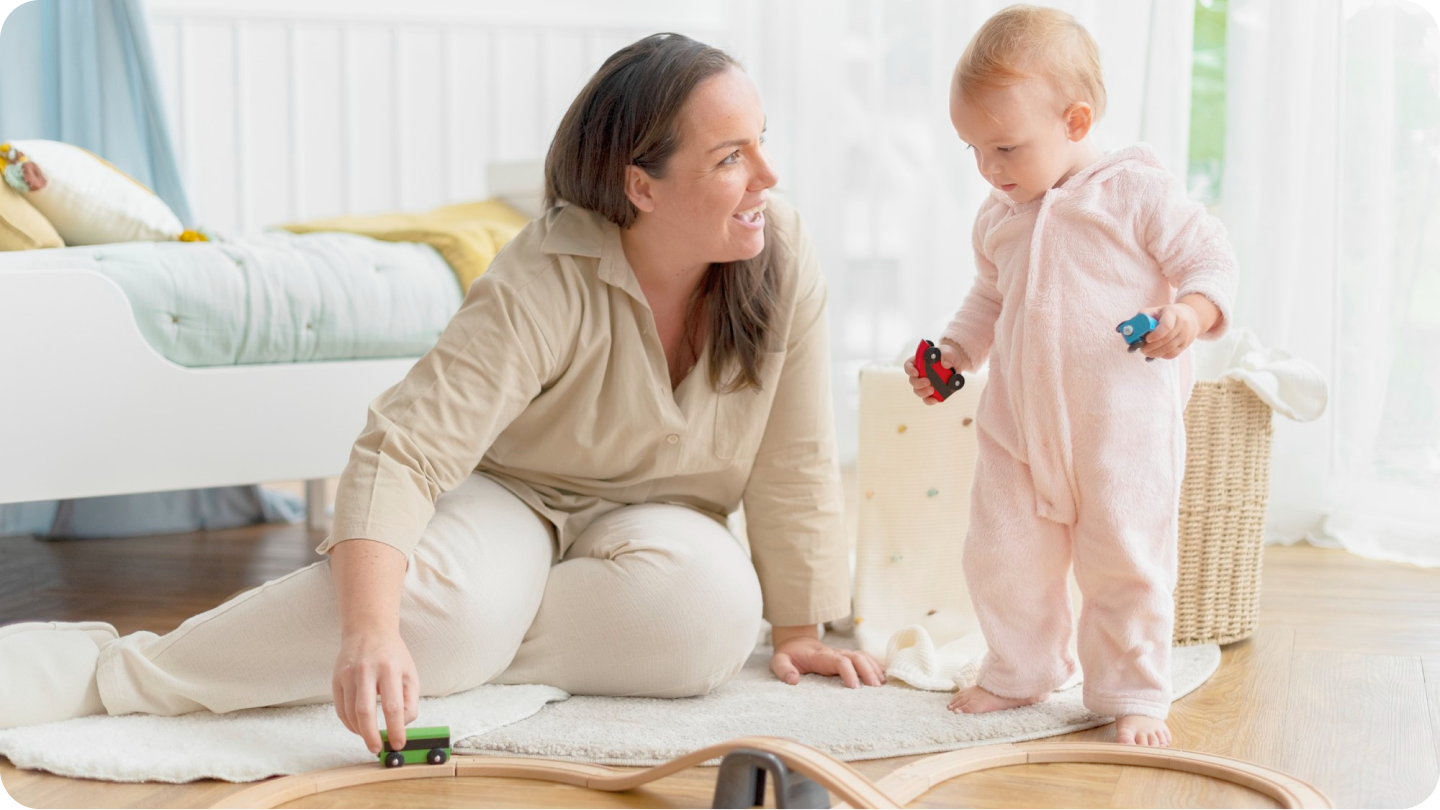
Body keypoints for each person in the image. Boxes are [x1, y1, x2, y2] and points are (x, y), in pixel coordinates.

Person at [0, 33, 884, 752]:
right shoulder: (547, 270)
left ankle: (466, 639)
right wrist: (372, 632)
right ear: (640, 186)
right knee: (437, 616)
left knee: (710, 622)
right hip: (513, 495)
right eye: (733, 156)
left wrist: (800, 623)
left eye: (764, 142)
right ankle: (113, 672)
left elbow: (796, 452)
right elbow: (406, 448)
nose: (767, 176)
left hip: (659, 518)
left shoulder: (780, 251)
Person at [903, 5, 1237, 747]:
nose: (989, 169)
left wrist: (1191, 313)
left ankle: (1131, 690)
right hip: (1019, 428)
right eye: (975, 150)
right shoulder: (1001, 215)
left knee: (1125, 560)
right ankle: (1021, 670)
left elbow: (1212, 261)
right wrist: (955, 353)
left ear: (1076, 121)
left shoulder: (1139, 195)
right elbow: (991, 295)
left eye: (1005, 148)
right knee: (1001, 554)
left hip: (1119, 429)